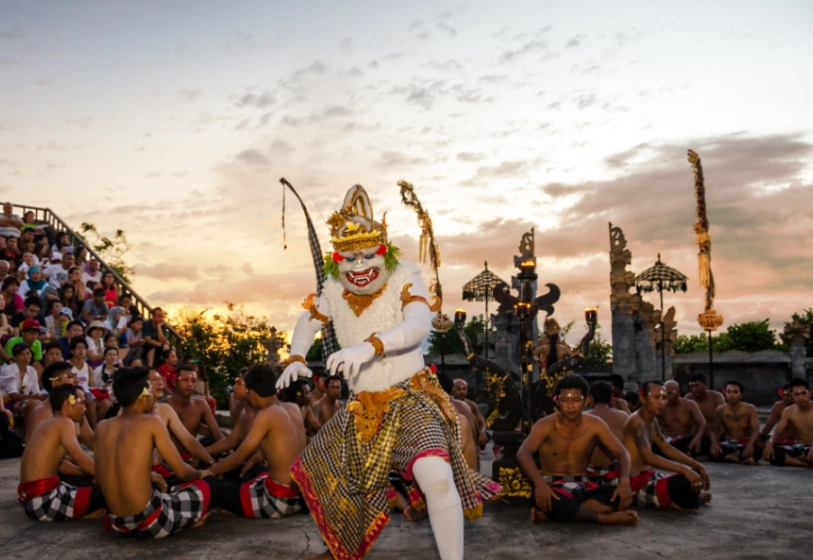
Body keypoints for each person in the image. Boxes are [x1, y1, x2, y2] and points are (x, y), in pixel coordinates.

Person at [281, 186, 500, 560]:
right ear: (338, 259)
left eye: (369, 255)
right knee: (333, 479)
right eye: (349, 258)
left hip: (411, 398)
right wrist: (297, 355)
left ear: (385, 251)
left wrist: (370, 346)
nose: (360, 266)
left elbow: (418, 323)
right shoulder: (333, 287)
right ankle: (343, 550)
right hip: (362, 410)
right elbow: (309, 319)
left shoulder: (404, 276)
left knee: (437, 478)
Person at [95, 367, 214, 538]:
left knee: (169, 491)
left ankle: (186, 516)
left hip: (118, 525)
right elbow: (181, 471)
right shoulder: (151, 422)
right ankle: (188, 519)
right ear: (143, 396)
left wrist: (146, 475)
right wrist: (202, 473)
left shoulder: (102, 427)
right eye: (150, 387)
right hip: (151, 522)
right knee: (210, 484)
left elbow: (101, 477)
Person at [516, 375, 636, 526]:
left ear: (586, 401)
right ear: (557, 401)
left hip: (583, 485)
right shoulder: (545, 424)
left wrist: (625, 482)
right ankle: (603, 518)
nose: (570, 406)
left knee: (621, 496)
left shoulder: (595, 424)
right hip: (552, 485)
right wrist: (540, 484)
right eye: (565, 400)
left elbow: (622, 452)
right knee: (552, 500)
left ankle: (557, 514)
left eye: (576, 400)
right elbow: (523, 453)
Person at [206, 364, 307, 519]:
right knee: (242, 478)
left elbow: (239, 457)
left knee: (213, 487)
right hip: (299, 497)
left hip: (278, 501)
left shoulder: (267, 414)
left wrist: (209, 471)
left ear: (251, 393)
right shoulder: (293, 408)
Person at [17, 384, 107, 521]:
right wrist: (108, 475)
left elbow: (58, 463)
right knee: (109, 491)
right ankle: (80, 512)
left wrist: (92, 473)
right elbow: (79, 457)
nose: (85, 408)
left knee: (92, 484)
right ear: (67, 404)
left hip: (33, 502)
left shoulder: (49, 422)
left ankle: (82, 510)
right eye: (82, 403)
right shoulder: (64, 423)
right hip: (44, 503)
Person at [622, 381, 711, 510]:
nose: (662, 402)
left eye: (664, 398)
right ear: (643, 398)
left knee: (696, 475)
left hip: (651, 476)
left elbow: (666, 447)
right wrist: (685, 469)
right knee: (685, 481)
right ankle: (687, 500)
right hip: (636, 483)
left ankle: (684, 500)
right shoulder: (637, 421)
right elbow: (649, 457)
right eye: (656, 397)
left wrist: (697, 465)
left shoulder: (651, 419)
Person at [145, 369, 215, 471]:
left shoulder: (165, 409)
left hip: (166, 468)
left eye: (161, 379)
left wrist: (212, 463)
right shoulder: (128, 414)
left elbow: (188, 440)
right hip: (145, 471)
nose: (161, 383)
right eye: (155, 380)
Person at [26, 361, 94, 451]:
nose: (77, 381)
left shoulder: (76, 409)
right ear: (55, 383)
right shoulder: (42, 412)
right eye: (70, 377)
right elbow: (35, 452)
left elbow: (91, 441)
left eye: (75, 376)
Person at [165, 365, 224, 450]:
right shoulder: (163, 405)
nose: (190, 384)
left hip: (193, 455)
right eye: (185, 380)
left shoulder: (201, 405)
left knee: (225, 434)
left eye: (193, 381)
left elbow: (218, 435)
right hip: (166, 458)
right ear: (174, 382)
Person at [585, 381, 629, 486]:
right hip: (614, 472)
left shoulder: (583, 417)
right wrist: (625, 408)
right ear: (611, 398)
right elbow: (637, 432)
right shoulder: (623, 416)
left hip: (587, 473)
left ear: (591, 398)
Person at [709, 381, 762, 465]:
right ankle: (740, 460)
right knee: (711, 450)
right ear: (725, 394)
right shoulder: (720, 410)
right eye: (729, 392)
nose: (731, 395)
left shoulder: (750, 408)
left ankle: (730, 457)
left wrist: (750, 444)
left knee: (758, 451)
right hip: (729, 444)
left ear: (741, 395)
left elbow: (756, 429)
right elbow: (714, 430)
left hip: (745, 443)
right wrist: (715, 444)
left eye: (735, 392)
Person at [764, 378, 813, 467]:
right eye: (796, 394)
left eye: (803, 393)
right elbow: (778, 431)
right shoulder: (789, 411)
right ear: (793, 396)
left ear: (810, 393)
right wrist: (770, 443)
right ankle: (804, 464)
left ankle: (801, 460)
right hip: (799, 446)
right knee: (771, 453)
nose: (801, 397)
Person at [0, 342, 47, 432]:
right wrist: (37, 397)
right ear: (15, 357)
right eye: (21, 354)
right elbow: (14, 396)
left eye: (28, 354)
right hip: (8, 403)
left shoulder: (32, 370)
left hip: (25, 401)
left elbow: (36, 391)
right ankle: (29, 437)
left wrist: (40, 397)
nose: (26, 357)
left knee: (43, 404)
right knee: (33, 403)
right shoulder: (8, 370)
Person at [68, 336, 110, 428]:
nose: (81, 351)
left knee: (106, 403)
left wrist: (103, 392)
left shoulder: (88, 367)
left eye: (83, 348)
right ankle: (94, 429)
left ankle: (90, 427)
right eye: (78, 348)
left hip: (87, 395)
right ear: (72, 351)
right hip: (73, 395)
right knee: (91, 402)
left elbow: (92, 386)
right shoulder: (67, 366)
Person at [659, 380, 708, 455]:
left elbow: (703, 423)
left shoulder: (689, 404)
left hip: (685, 440)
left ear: (678, 392)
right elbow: (654, 425)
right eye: (665, 394)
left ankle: (677, 453)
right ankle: (680, 453)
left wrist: (698, 437)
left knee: (706, 442)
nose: (667, 397)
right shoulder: (661, 406)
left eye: (670, 393)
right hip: (668, 440)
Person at [451, 378, 488, 447]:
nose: (462, 392)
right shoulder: (448, 404)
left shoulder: (471, 405)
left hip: (471, 443)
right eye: (459, 389)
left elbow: (481, 422)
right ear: (452, 390)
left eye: (464, 389)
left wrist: (482, 432)